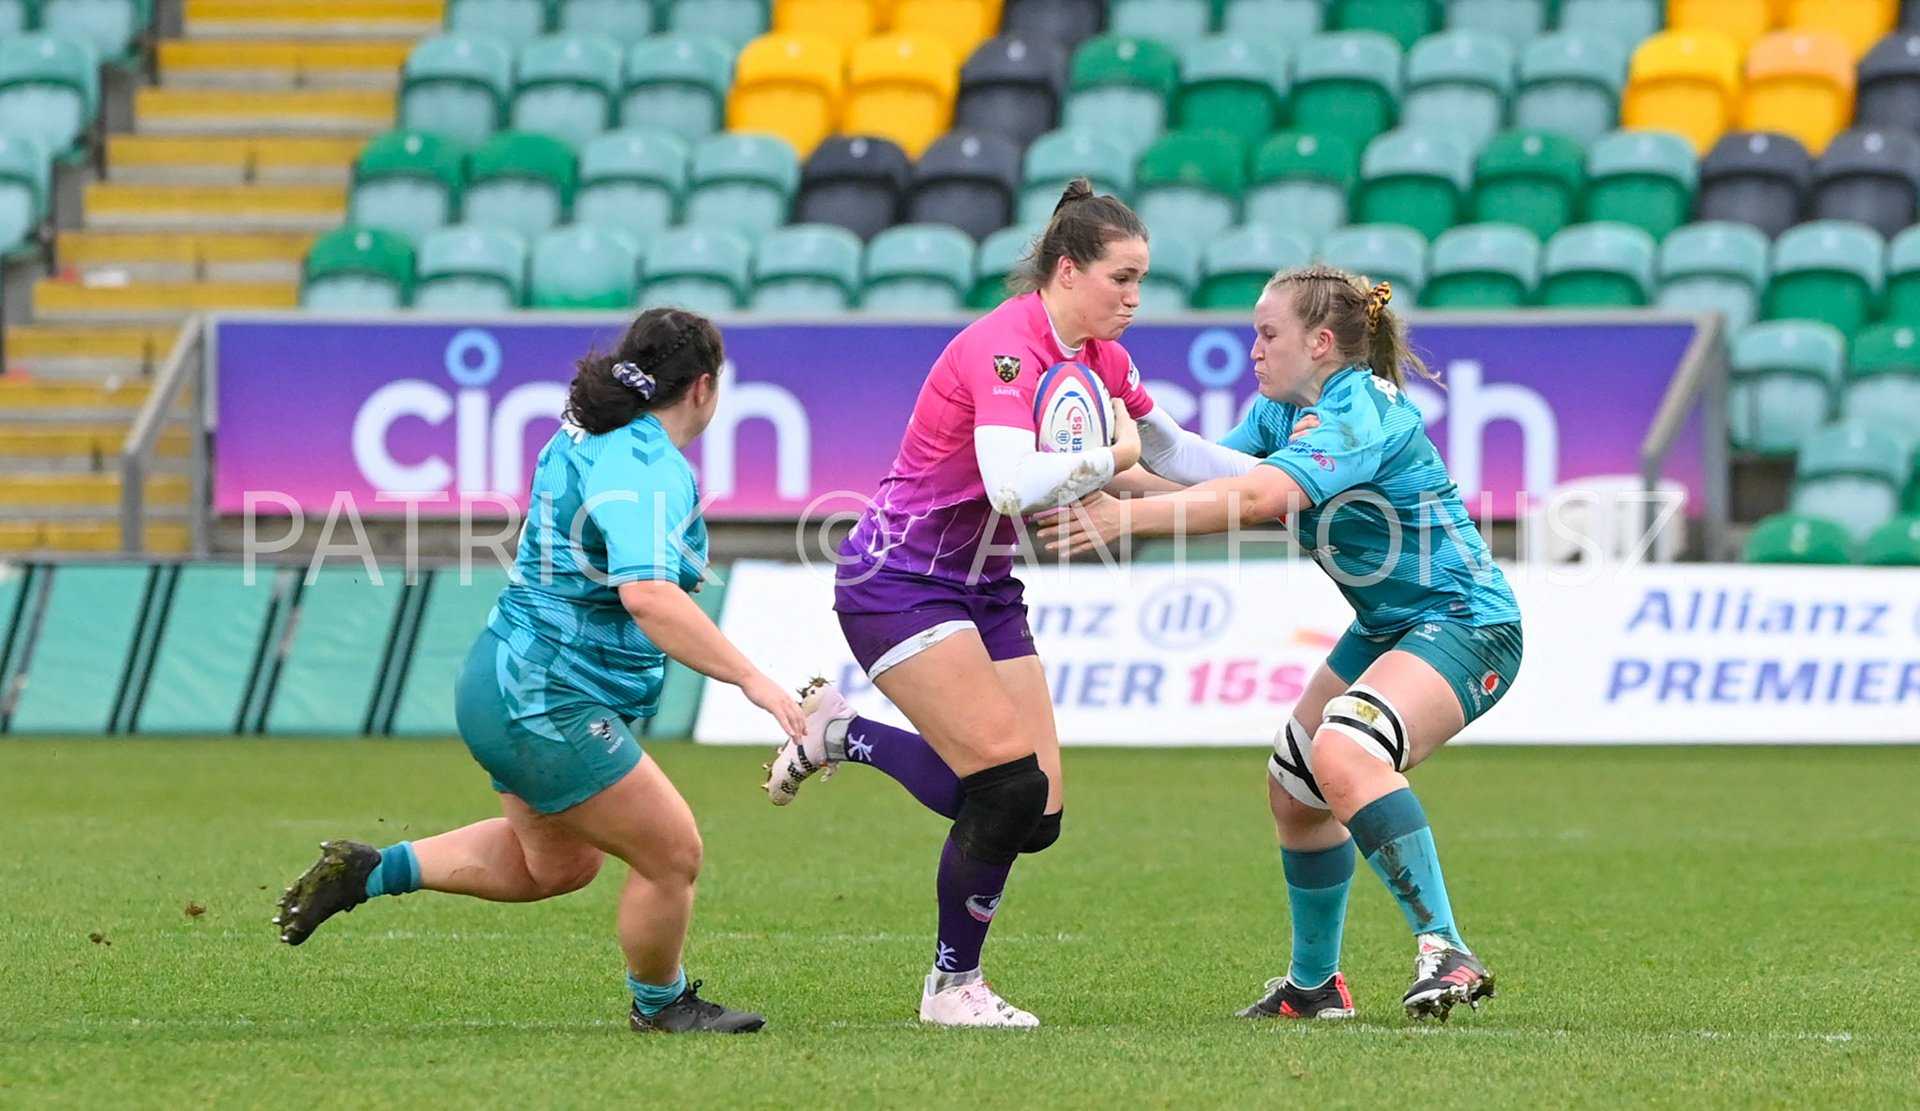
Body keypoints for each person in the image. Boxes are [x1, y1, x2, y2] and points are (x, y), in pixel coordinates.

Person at [274, 308, 807, 1035]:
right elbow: (647, 595)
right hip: (545, 695)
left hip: (501, 676)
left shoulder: (585, 431)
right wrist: (754, 679)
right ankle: (662, 1004)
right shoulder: (644, 464)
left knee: (556, 866)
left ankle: (372, 869)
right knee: (673, 850)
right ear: (705, 388)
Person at [1038, 265, 1523, 1022]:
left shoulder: (1358, 412)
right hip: (1390, 625)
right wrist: (1092, 469)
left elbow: (1260, 498)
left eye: (1268, 335)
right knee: (1295, 791)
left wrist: (1122, 519)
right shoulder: (1284, 412)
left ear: (1321, 342)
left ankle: (1445, 946)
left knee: (1342, 752)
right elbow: (1196, 471)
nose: (1254, 351)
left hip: (1465, 621)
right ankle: (1315, 985)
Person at [760, 178, 1153, 1027]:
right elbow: (1013, 485)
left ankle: (841, 733)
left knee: (1036, 815)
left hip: (984, 586)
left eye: (1140, 281)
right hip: (898, 579)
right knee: (1004, 790)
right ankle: (951, 987)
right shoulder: (1003, 347)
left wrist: (1272, 484)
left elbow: (1163, 451)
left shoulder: (1100, 360)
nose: (1134, 297)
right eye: (1122, 278)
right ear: (1067, 268)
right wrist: (1113, 453)